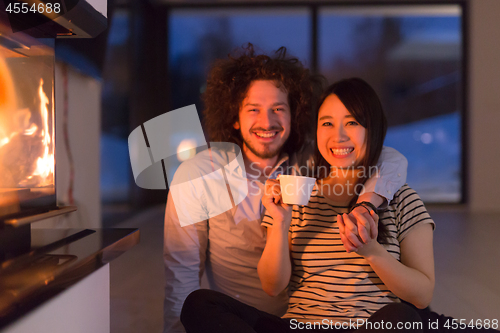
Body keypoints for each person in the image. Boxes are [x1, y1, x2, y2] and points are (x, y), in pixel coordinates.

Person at [164, 47, 408, 333]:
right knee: (197, 304)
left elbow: (389, 158)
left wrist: (366, 204)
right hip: (245, 321)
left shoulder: (310, 161)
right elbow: (181, 272)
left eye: (278, 108)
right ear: (234, 116)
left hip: (310, 316)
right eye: (253, 109)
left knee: (408, 315)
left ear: (295, 115)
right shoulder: (199, 175)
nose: (267, 122)